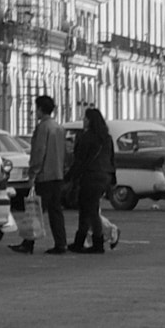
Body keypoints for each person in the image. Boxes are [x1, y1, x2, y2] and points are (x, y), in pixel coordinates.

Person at [13, 94, 68, 254]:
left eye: (36, 108)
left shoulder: (43, 127)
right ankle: (61, 242)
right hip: (57, 174)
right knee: (56, 211)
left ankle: (28, 243)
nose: (34, 111)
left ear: (40, 109)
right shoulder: (58, 127)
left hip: (44, 175)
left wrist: (33, 172)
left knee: (36, 210)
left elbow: (39, 151)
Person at [67, 107, 116, 253]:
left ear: (90, 121)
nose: (83, 121)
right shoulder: (106, 138)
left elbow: (80, 160)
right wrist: (113, 179)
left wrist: (69, 177)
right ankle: (83, 241)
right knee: (89, 208)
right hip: (104, 176)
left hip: (90, 176)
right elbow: (112, 159)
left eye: (85, 118)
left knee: (89, 210)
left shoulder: (86, 137)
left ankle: (96, 243)